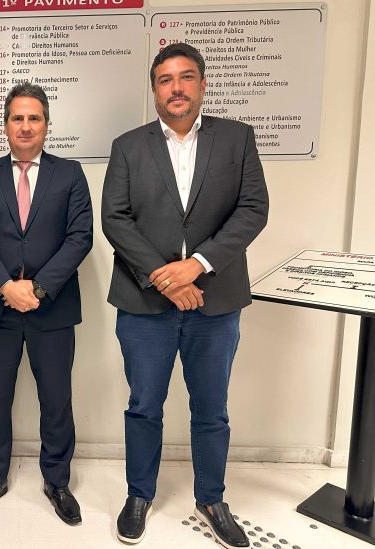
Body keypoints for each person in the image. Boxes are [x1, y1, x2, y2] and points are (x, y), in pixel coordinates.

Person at [101, 43, 269, 547]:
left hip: (215, 302)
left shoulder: (236, 138)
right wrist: (164, 277)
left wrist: (196, 265)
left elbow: (253, 209)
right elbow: (115, 218)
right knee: (143, 406)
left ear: (202, 83)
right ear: (154, 90)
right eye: (165, 79)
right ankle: (139, 495)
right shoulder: (128, 146)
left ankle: (211, 498)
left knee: (212, 409)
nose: (176, 88)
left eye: (186, 77)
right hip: (144, 304)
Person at [0, 82, 93, 525]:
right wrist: (6, 287)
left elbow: (80, 237)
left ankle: (57, 481)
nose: (25, 126)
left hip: (52, 309)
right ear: (5, 125)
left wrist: (36, 290)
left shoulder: (69, 174)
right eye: (17, 118)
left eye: (33, 118)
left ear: (46, 125)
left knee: (56, 399)